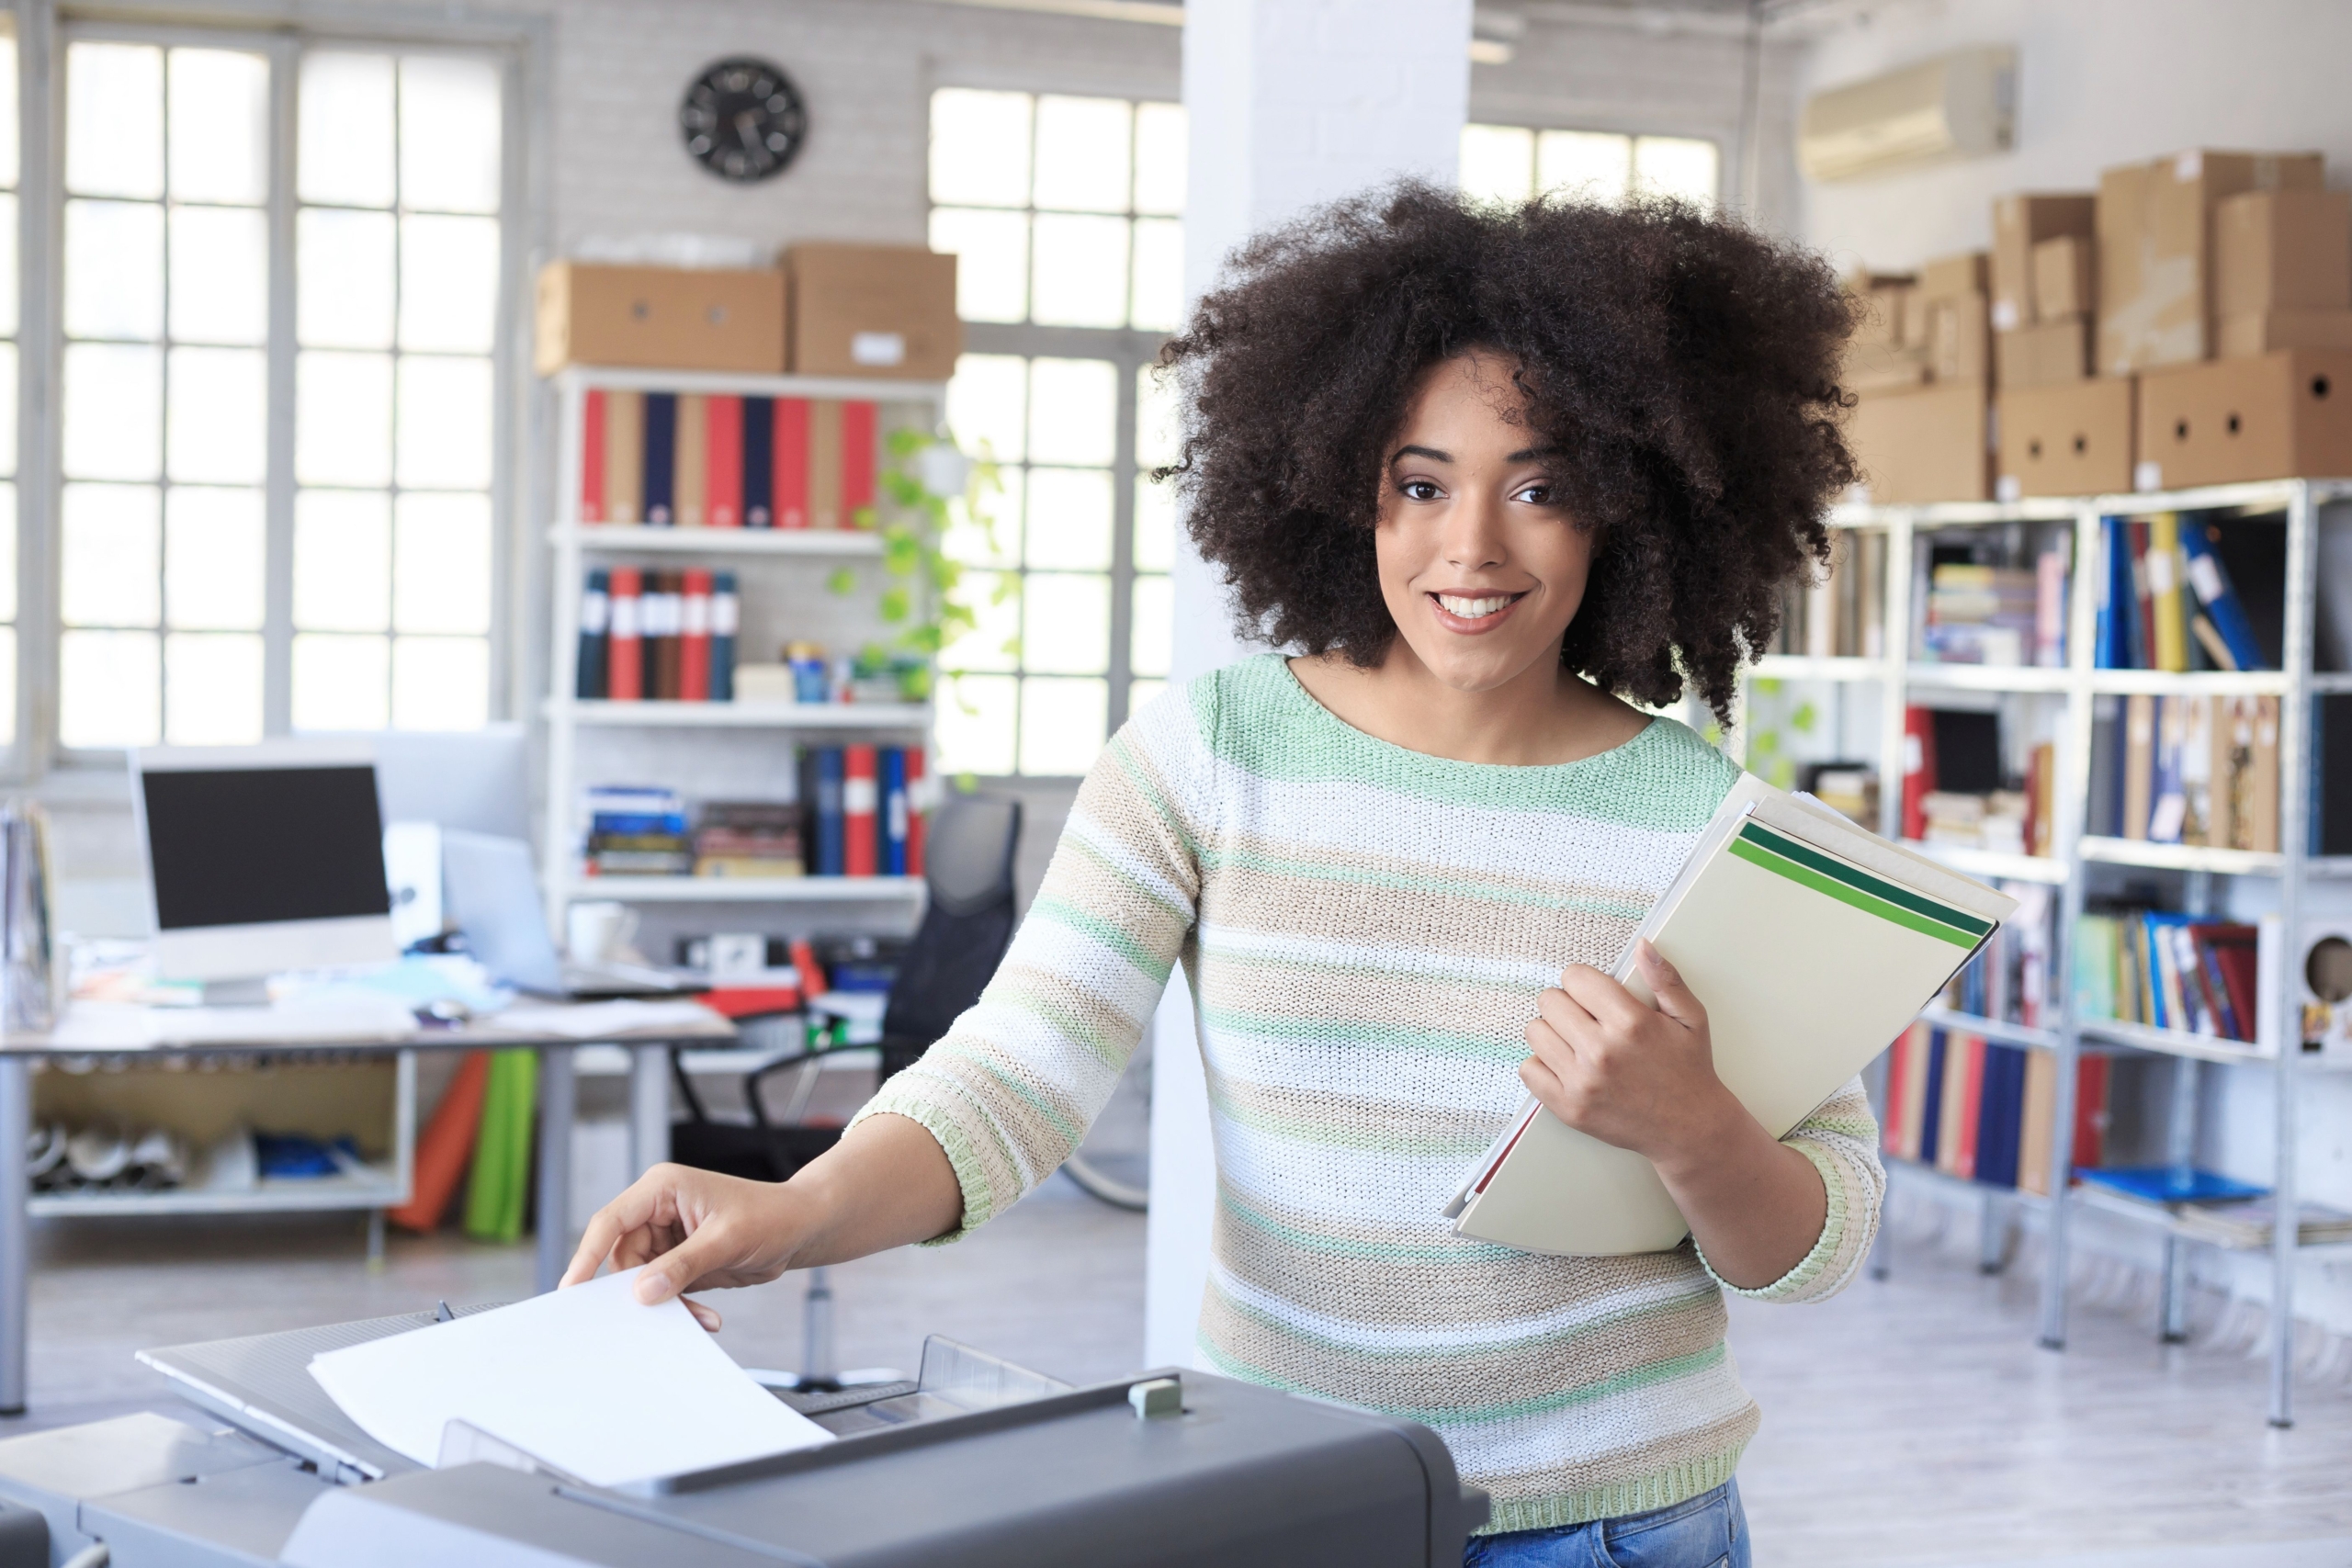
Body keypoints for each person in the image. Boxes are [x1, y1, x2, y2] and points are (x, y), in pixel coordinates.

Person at [565, 182, 1881, 1568]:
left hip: (1625, 1523)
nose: (1472, 545)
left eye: (1541, 488)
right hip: (1288, 1494)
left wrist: (1694, 1129)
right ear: (1338, 491)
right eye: (1419, 484)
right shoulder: (1208, 756)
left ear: (1633, 504)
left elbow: (1822, 1234)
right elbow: (1015, 1076)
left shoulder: (1708, 823)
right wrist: (793, 1215)